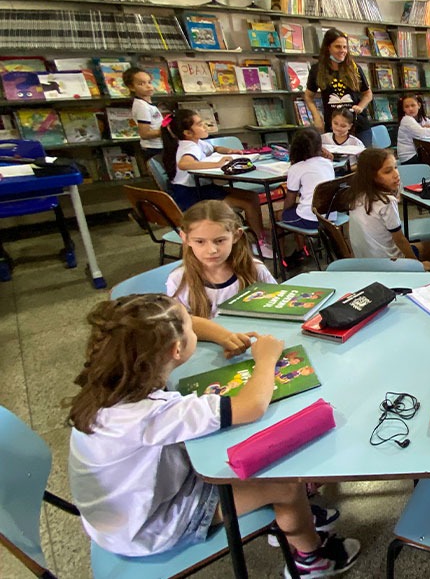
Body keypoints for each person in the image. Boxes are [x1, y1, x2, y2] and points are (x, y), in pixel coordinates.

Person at [67, 294, 360, 573]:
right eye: (189, 327)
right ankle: (311, 558)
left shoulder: (114, 381)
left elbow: (187, 323)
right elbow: (252, 406)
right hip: (150, 527)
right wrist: (266, 359)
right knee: (285, 484)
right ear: (176, 351)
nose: (195, 324)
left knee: (248, 453)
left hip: (125, 510)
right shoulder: (153, 414)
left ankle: (293, 517)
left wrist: (223, 336)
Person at [161, 109, 271, 256]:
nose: (205, 126)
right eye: (200, 124)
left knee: (252, 196)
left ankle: (258, 237)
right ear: (187, 133)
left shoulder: (197, 142)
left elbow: (215, 148)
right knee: (248, 202)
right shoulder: (188, 146)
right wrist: (217, 164)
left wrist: (231, 151)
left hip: (203, 188)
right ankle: (259, 244)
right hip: (190, 195)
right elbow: (184, 164)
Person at [167, 200, 276, 326]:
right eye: (200, 242)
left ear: (236, 236)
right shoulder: (178, 280)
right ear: (185, 238)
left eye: (219, 240)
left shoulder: (255, 269)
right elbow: (179, 329)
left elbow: (279, 308)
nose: (212, 250)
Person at [346, 148, 430, 270]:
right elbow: (399, 239)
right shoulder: (386, 201)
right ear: (372, 176)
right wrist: (416, 265)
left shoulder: (356, 195)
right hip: (388, 263)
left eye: (395, 167)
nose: (396, 174)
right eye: (388, 171)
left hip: (362, 260)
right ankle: (417, 279)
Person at [304, 28, 373, 145]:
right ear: (328, 47)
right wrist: (316, 116)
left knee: (363, 161)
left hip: (358, 125)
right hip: (334, 127)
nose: (342, 51)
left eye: (345, 47)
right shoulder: (317, 70)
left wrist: (360, 106)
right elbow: (308, 96)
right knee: (335, 160)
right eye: (338, 47)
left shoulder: (354, 68)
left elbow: (368, 94)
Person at [281, 128, 335, 265]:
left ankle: (284, 256)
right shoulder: (328, 163)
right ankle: (303, 249)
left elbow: (290, 198)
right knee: (298, 209)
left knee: (278, 216)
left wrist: (283, 212)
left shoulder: (296, 168)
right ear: (320, 146)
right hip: (329, 216)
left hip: (312, 219)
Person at [124, 67, 162, 160]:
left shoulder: (147, 104)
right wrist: (167, 131)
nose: (148, 86)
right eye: (141, 84)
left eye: (149, 82)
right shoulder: (142, 106)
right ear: (132, 87)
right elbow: (145, 134)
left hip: (159, 145)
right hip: (153, 148)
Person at [396, 94, 430, 164]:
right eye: (407, 107)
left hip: (418, 153)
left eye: (413, 105)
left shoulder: (420, 118)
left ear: (419, 105)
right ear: (403, 109)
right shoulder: (406, 120)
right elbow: (421, 133)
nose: (410, 109)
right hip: (409, 157)